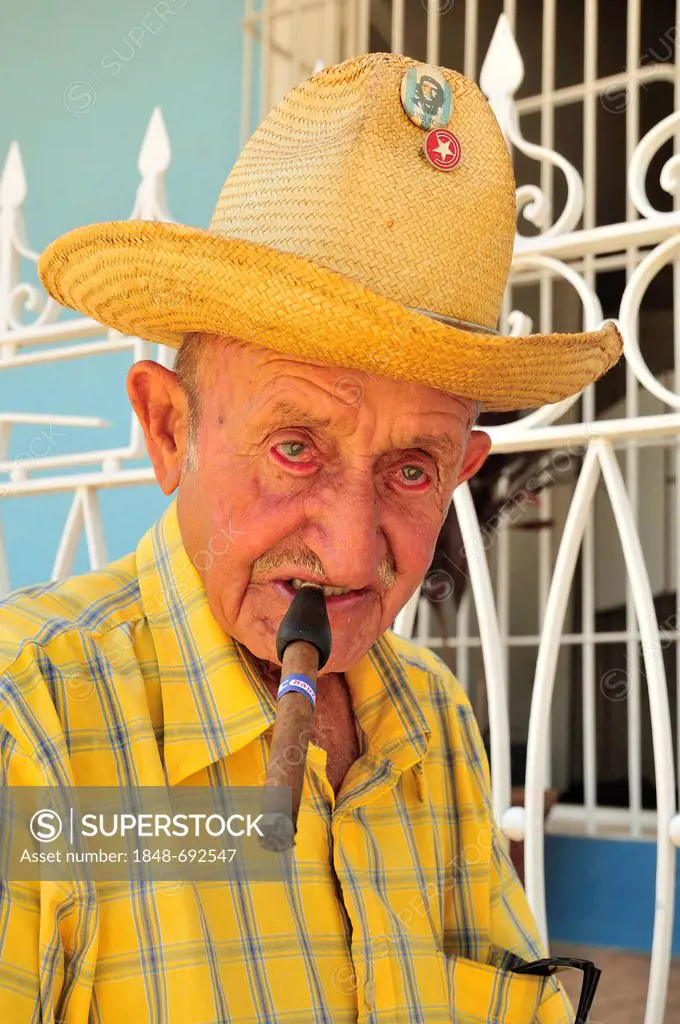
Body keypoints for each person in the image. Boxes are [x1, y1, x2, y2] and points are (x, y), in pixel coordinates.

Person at [0, 53, 621, 1022]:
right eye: (294, 447)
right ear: (168, 429)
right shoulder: (26, 729)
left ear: (459, 474)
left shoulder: (429, 718)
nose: (343, 553)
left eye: (410, 469)